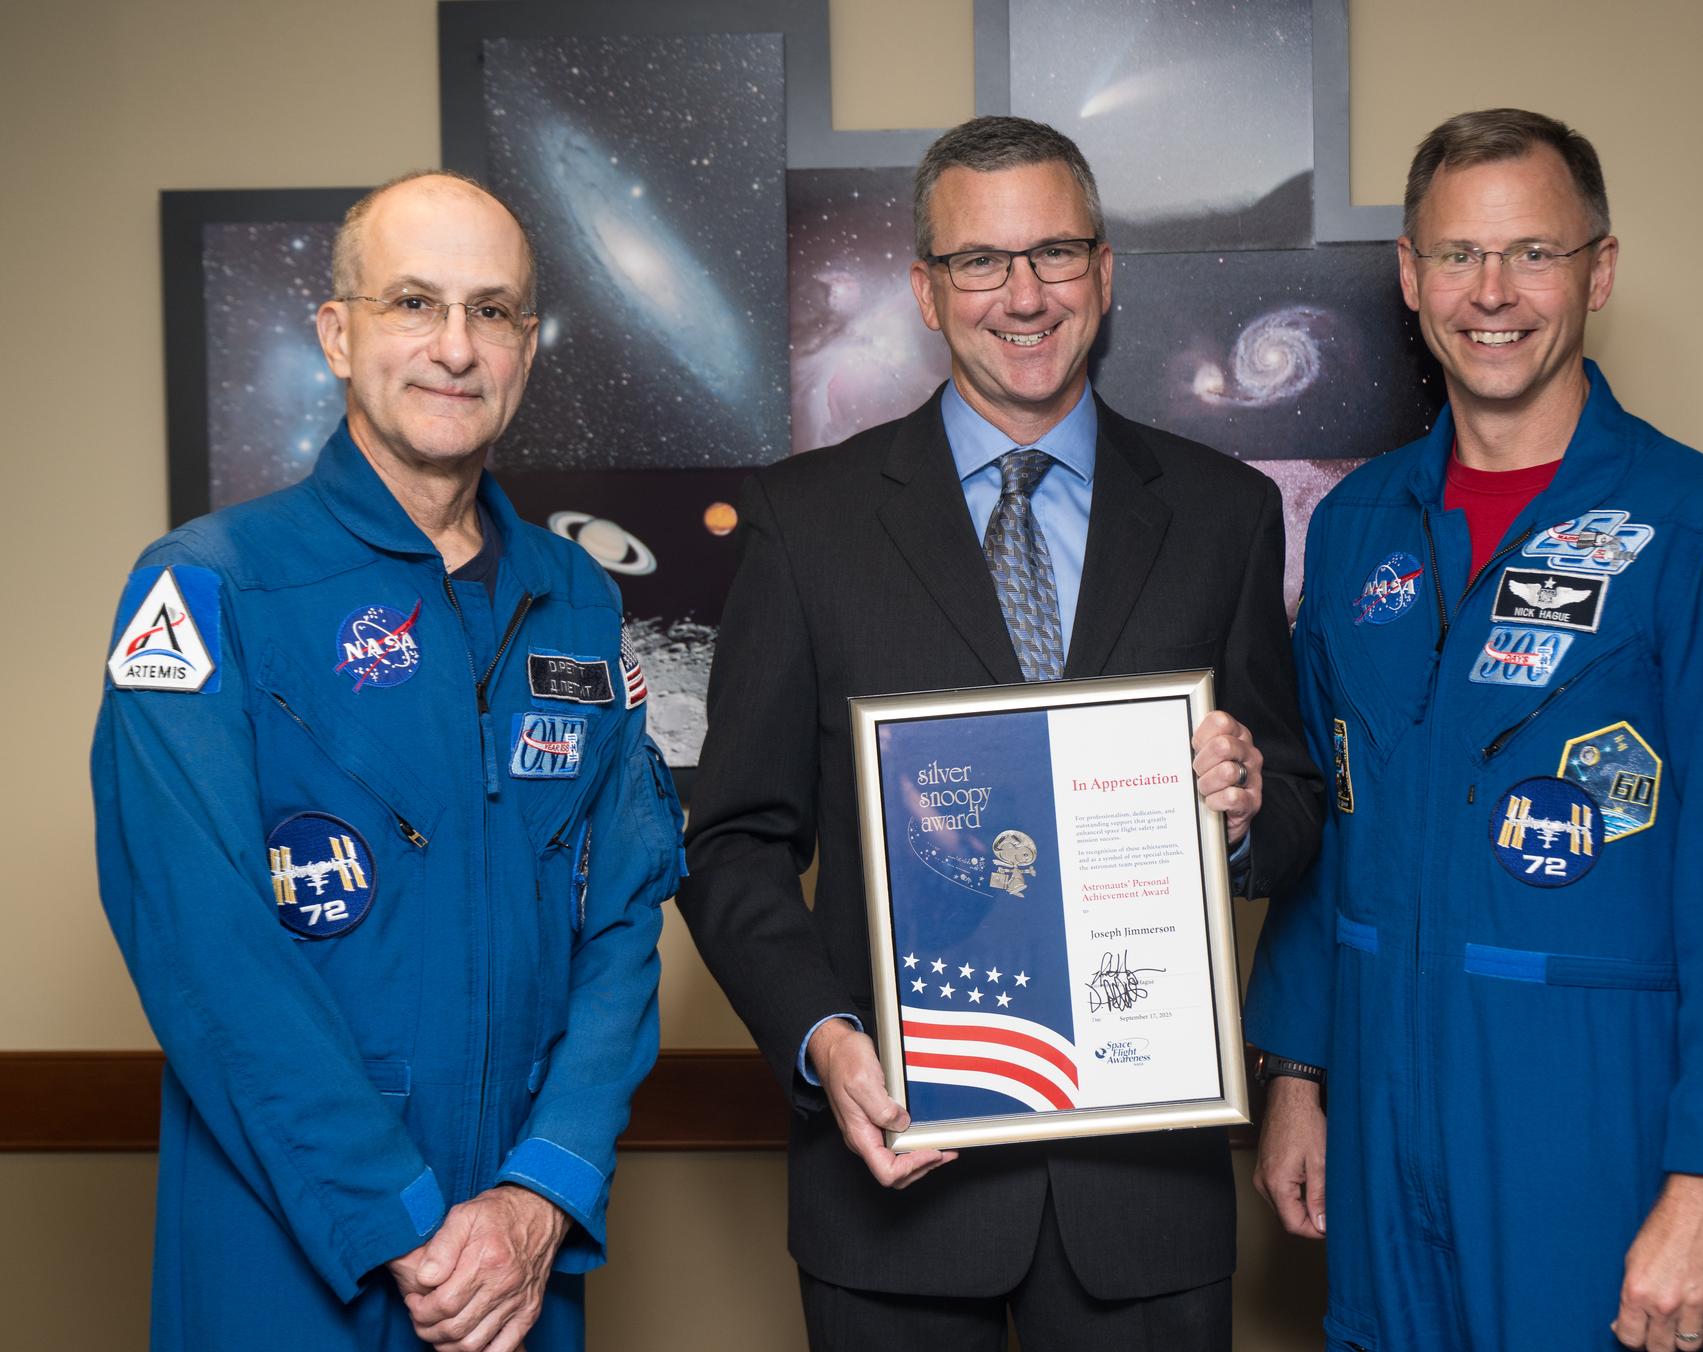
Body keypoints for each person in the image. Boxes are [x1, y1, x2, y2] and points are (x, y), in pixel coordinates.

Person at [677, 115, 1322, 1350]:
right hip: (898, 1178)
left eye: (1056, 253)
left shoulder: (1223, 514)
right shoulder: (803, 522)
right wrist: (822, 1039)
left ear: (1106, 272)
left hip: (1144, 1193)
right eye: (980, 261)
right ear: (925, 289)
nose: (1022, 295)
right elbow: (736, 840)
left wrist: (1247, 811)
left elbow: (1292, 813)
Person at [1245, 108, 1703, 1352]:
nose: (1493, 293)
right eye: (1457, 255)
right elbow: (1330, 812)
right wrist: (1295, 1071)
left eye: (1535, 253)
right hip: (1380, 1108)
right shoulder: (1356, 527)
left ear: (1600, 270)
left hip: (1590, 1118)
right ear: (1410, 278)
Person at [92, 171, 684, 1352]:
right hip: (291, 1239)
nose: (454, 346)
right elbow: (205, 948)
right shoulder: (208, 586)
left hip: (521, 1259)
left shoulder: (573, 602)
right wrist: (404, 1220)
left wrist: (537, 1197)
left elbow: (622, 923)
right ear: (338, 331)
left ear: (527, 344)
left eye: (492, 310)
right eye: (413, 302)